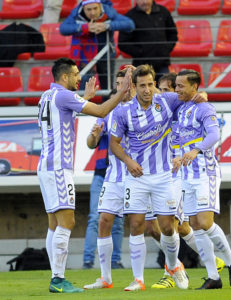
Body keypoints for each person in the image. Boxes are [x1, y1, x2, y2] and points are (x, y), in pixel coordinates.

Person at [37, 57, 131, 293]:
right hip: (59, 167)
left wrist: (85, 98)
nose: (80, 77)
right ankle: (58, 279)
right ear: (65, 77)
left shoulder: (48, 96)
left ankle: (55, 276)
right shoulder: (64, 96)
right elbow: (100, 111)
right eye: (77, 73)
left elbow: (65, 112)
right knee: (67, 222)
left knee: (53, 225)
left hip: (46, 165)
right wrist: (123, 91)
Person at [109, 65, 206, 291]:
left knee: (168, 228)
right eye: (142, 85)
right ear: (134, 86)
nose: (147, 89)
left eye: (151, 84)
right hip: (138, 177)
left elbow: (190, 96)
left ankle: (174, 266)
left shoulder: (167, 101)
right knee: (135, 225)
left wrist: (201, 99)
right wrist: (129, 161)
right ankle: (138, 280)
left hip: (164, 176)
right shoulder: (123, 111)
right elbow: (114, 143)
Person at [174, 69, 231, 289]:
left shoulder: (205, 108)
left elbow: (214, 135)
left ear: (195, 87)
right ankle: (213, 276)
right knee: (195, 225)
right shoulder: (181, 108)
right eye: (176, 85)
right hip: (186, 175)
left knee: (204, 222)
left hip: (205, 173)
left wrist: (196, 150)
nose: (177, 90)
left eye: (181, 86)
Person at [83, 68, 135, 290]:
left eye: (124, 83)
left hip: (137, 174)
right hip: (108, 173)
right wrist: (93, 136)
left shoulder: (144, 107)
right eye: (117, 83)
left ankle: (172, 266)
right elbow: (91, 142)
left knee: (146, 224)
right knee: (100, 218)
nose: (120, 87)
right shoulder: (107, 110)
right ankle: (93, 266)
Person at [60, 0, 135, 96]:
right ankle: (82, 109)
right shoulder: (76, 12)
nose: (92, 13)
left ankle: (107, 108)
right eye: (89, 9)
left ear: (100, 6)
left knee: (107, 86)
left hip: (106, 54)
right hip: (85, 56)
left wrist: (107, 25)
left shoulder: (108, 11)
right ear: (83, 8)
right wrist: (84, 27)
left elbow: (130, 24)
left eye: (95, 8)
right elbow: (63, 28)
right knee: (84, 84)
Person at [118, 0, 178, 82]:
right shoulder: (130, 16)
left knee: (164, 91)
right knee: (143, 92)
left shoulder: (163, 12)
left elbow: (173, 34)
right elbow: (123, 43)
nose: (145, 2)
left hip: (162, 63)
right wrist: (140, 52)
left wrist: (165, 50)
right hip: (140, 65)